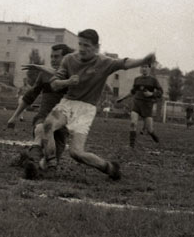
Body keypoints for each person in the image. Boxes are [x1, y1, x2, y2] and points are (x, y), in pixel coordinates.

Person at [38, 29, 156, 180]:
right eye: (80, 44)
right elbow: (54, 84)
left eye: (86, 45)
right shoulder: (69, 59)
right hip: (68, 103)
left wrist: (143, 60)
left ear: (96, 47)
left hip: (86, 109)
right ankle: (51, 165)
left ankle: (110, 168)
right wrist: (68, 82)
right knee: (48, 125)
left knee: (76, 153)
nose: (82, 49)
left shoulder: (103, 62)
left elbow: (124, 63)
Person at [8, 43, 74, 179]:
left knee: (44, 165)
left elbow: (65, 77)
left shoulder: (72, 76)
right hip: (43, 116)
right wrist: (15, 116)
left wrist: (41, 67)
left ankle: (29, 159)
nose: (53, 59)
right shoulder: (44, 75)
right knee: (41, 128)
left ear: (66, 58)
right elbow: (30, 96)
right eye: (51, 56)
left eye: (57, 57)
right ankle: (32, 161)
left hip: (62, 124)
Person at [119, 63, 162, 147]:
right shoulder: (137, 79)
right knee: (133, 123)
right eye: (142, 67)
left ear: (149, 69)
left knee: (149, 129)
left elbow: (160, 92)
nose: (144, 69)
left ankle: (153, 135)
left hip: (147, 105)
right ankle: (131, 145)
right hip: (137, 103)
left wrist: (151, 94)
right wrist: (123, 98)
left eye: (146, 67)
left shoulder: (153, 80)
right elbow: (133, 92)